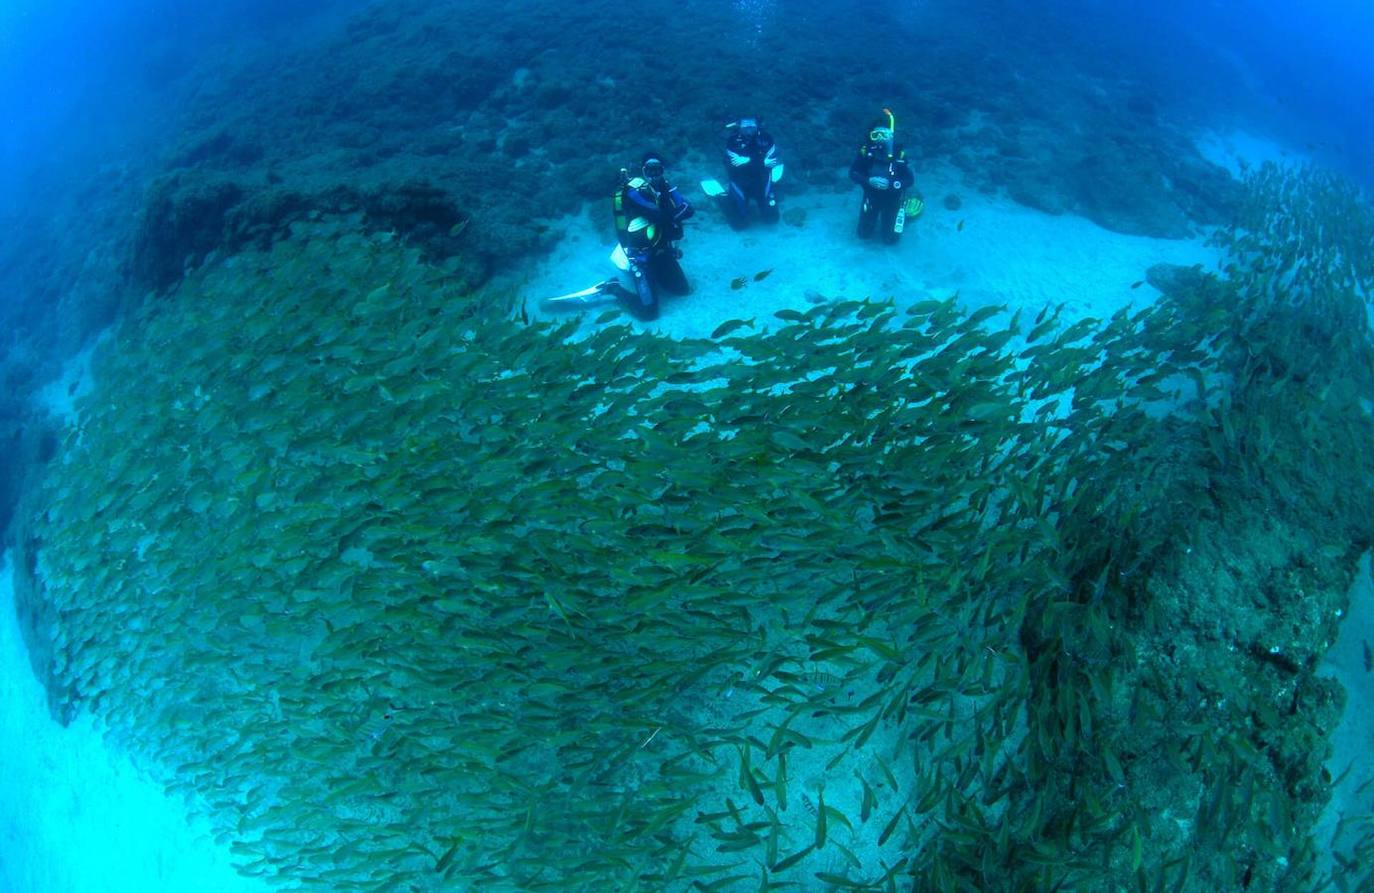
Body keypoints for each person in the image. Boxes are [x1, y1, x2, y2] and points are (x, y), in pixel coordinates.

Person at [611, 153, 694, 320]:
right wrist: (674, 214)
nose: (654, 175)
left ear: (663, 170)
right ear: (643, 170)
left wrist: (670, 214)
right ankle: (613, 288)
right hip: (641, 256)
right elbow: (658, 215)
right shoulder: (633, 190)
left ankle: (654, 277)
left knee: (682, 290)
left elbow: (689, 209)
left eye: (658, 170)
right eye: (650, 170)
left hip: (662, 251)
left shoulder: (666, 187)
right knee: (649, 313)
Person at [848, 108, 919, 244]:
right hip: (871, 197)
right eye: (875, 135)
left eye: (884, 135)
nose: (880, 139)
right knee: (863, 235)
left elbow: (909, 179)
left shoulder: (899, 155)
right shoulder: (866, 153)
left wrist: (892, 184)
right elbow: (853, 173)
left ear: (890, 136)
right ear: (870, 136)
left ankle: (909, 208)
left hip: (893, 199)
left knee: (891, 240)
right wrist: (868, 180)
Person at [722, 117, 781, 228]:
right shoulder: (733, 141)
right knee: (739, 225)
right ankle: (725, 199)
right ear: (739, 128)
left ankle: (760, 204)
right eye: (745, 128)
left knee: (772, 219)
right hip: (739, 180)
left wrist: (747, 160)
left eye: (752, 128)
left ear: (757, 127)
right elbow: (731, 165)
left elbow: (773, 160)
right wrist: (761, 162)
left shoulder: (766, 138)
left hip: (761, 180)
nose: (749, 131)